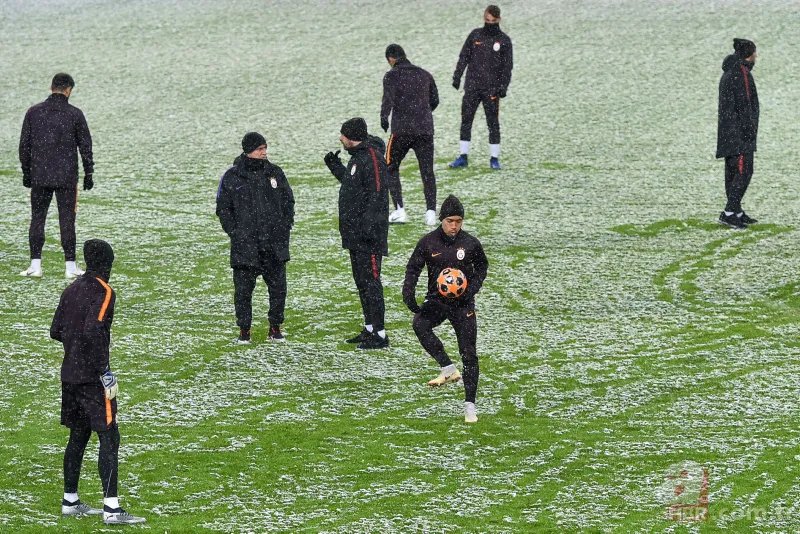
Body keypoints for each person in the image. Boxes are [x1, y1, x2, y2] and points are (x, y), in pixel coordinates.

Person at [50, 239, 146, 525]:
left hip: (69, 374)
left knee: (78, 435)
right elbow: (93, 330)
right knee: (109, 435)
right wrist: (104, 371)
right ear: (108, 264)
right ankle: (112, 509)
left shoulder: (71, 289)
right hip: (92, 378)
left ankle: (70, 500)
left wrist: (74, 347)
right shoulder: (104, 292)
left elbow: (56, 330)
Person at [402, 195, 489, 423]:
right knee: (419, 324)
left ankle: (470, 405)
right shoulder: (428, 242)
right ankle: (447, 367)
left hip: (463, 305)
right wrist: (408, 293)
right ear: (442, 220)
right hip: (438, 302)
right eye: (450, 221)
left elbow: (482, 266)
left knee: (469, 354)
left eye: (458, 221)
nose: (454, 226)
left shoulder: (470, 243)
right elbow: (413, 268)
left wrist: (472, 289)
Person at [216, 132, 295, 344]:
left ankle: (275, 328)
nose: (264, 152)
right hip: (246, 245)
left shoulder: (275, 173)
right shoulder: (232, 177)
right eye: (260, 149)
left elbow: (289, 201)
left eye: (265, 148)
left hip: (274, 245)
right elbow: (223, 208)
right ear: (249, 150)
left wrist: (283, 229)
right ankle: (244, 330)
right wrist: (236, 232)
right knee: (243, 292)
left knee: (278, 289)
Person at [19, 73, 94, 279]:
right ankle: (70, 266)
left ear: (51, 86)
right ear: (68, 90)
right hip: (66, 177)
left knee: (37, 218)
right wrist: (89, 172)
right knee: (67, 220)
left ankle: (35, 265)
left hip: (40, 175)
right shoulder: (75, 114)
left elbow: (24, 146)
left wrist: (27, 173)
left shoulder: (34, 113)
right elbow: (85, 146)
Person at [324, 118, 390, 350]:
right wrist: (335, 167)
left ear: (352, 136)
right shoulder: (358, 158)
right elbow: (353, 186)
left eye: (342, 135)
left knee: (371, 282)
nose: (340, 139)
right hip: (355, 234)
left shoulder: (372, 158)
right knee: (361, 281)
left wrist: (369, 227)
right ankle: (370, 328)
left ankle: (381, 335)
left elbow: (379, 194)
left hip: (368, 236)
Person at [380, 44, 440, 226]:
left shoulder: (392, 75)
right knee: (427, 170)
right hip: (425, 129)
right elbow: (435, 100)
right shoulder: (424, 74)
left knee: (389, 165)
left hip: (402, 130)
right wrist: (421, 113)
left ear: (391, 59)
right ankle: (430, 213)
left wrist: (384, 117)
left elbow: (388, 99)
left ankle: (399, 210)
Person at [449, 5, 513, 170]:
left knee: (493, 123)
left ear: (499, 20)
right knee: (466, 121)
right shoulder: (475, 35)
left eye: (492, 21)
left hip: (491, 90)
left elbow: (507, 67)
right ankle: (463, 156)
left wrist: (503, 86)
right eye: (487, 20)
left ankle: (494, 158)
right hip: (472, 87)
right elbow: (464, 56)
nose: (489, 23)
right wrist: (457, 76)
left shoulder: (504, 40)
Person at [717, 38, 759, 229]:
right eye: (754, 53)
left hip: (728, 132)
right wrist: (749, 131)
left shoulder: (729, 71)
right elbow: (745, 104)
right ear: (748, 55)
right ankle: (729, 212)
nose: (756, 57)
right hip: (739, 134)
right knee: (744, 171)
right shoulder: (740, 74)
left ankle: (736, 212)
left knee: (733, 172)